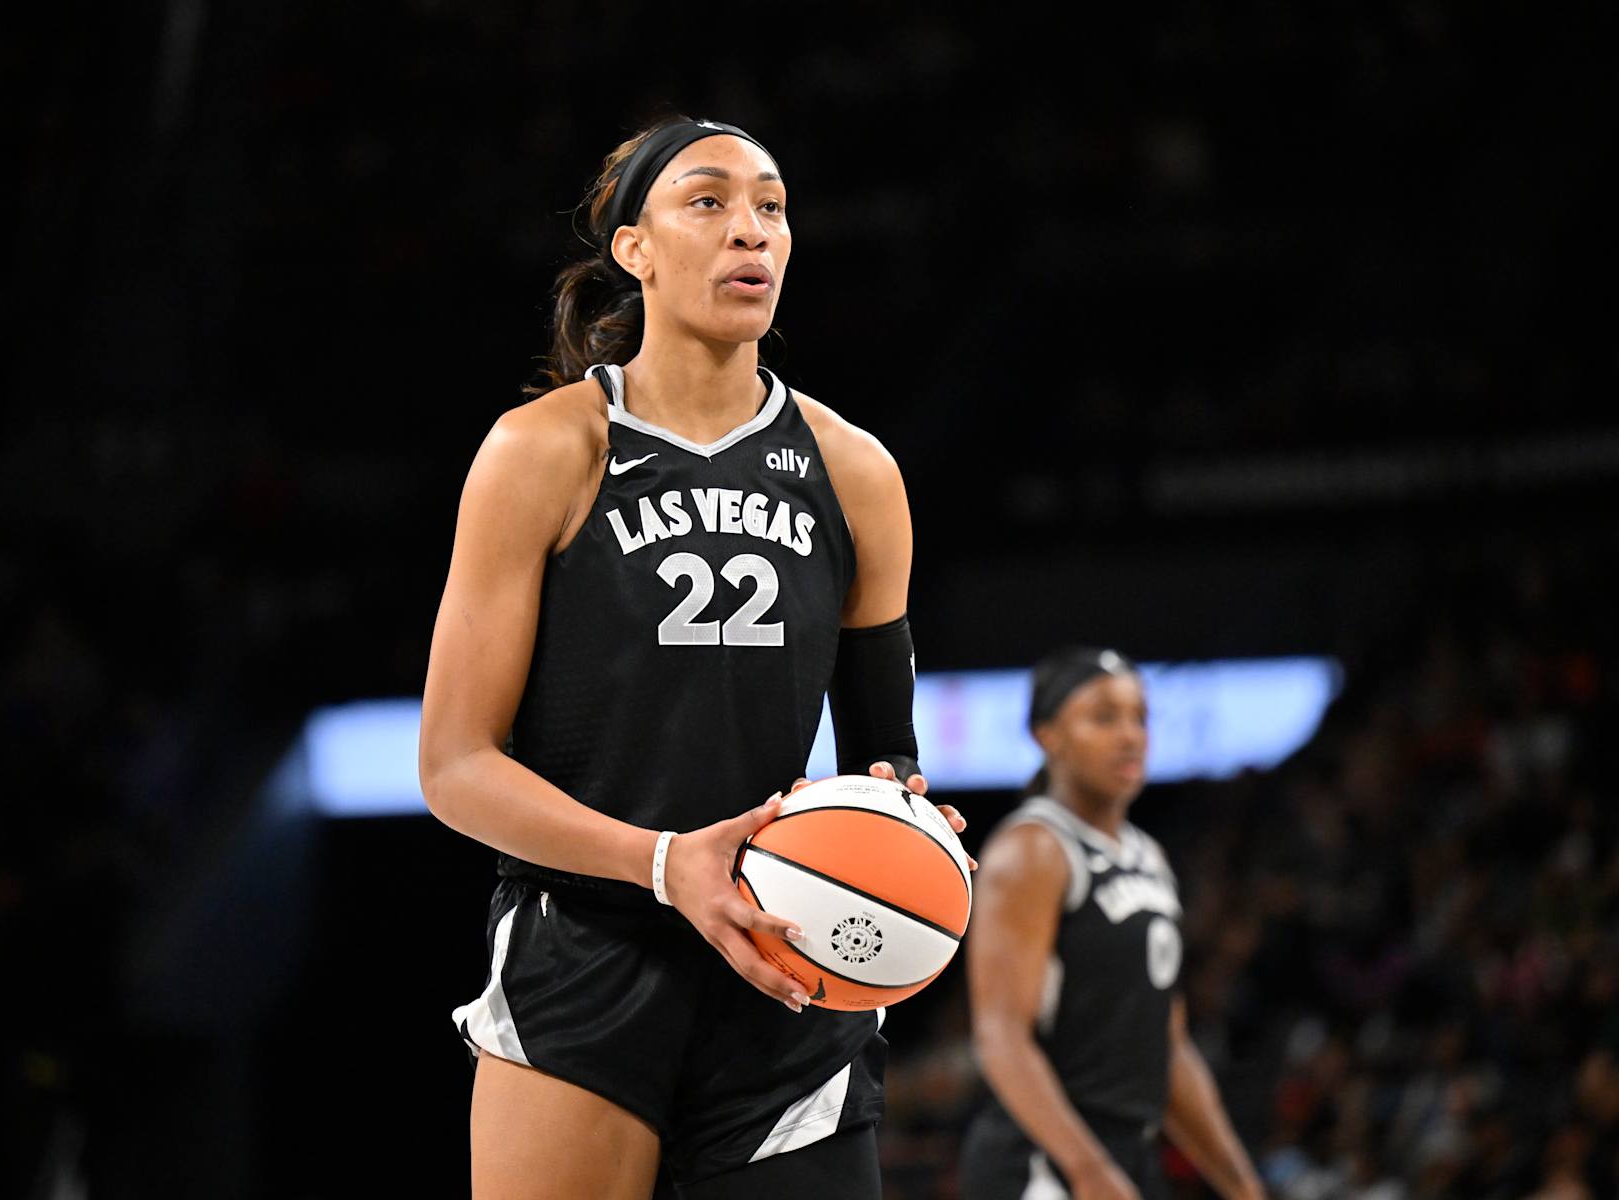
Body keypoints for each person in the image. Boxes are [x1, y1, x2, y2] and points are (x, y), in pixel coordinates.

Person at [418, 115, 964, 1200]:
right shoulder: (546, 449)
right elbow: (453, 768)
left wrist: (910, 828)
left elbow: (883, 764)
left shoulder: (856, 472)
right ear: (637, 248)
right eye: (708, 202)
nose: (749, 232)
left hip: (786, 959)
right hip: (586, 952)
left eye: (771, 206)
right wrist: (670, 865)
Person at [960, 647, 1263, 1200]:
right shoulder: (1032, 848)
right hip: (1041, 1158)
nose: (1131, 735)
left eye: (1140, 717)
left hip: (1129, 1153)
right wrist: (1086, 1168)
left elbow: (1168, 1045)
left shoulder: (1150, 857)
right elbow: (1000, 1033)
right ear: (1047, 734)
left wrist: (1241, 1183)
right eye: (1104, 717)